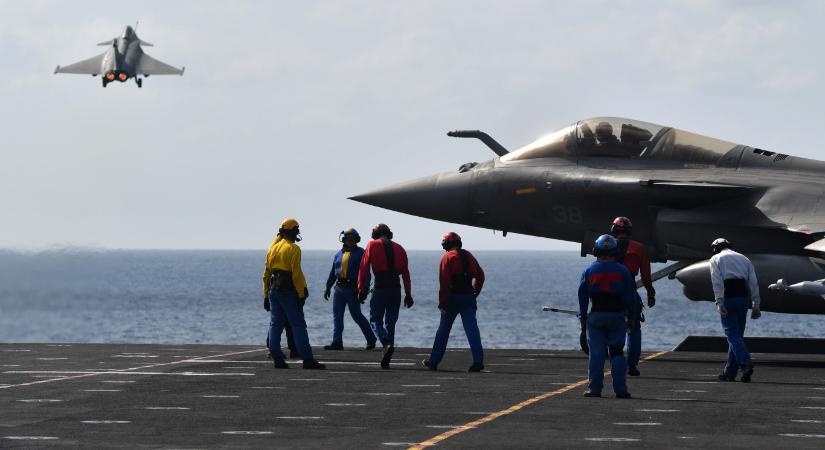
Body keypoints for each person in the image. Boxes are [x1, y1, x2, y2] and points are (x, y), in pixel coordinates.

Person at [262, 218, 325, 370]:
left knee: (275, 324)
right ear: (295, 231)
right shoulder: (294, 249)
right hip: (288, 291)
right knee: (298, 325)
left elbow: (266, 274)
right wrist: (301, 293)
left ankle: (277, 358)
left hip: (273, 289)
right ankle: (307, 359)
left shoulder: (273, 248)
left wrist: (265, 295)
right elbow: (296, 274)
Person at [578, 234, 636, 398]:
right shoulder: (623, 270)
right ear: (615, 251)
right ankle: (621, 390)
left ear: (596, 250)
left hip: (596, 316)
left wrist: (583, 320)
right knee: (617, 352)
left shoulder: (589, 270)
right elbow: (629, 297)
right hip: (617, 316)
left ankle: (594, 389)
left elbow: (582, 298)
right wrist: (631, 317)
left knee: (596, 354)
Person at [422, 232, 486, 372]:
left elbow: (444, 283)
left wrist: (442, 303)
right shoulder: (469, 256)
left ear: (446, 244)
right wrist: (475, 293)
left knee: (443, 331)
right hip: (468, 297)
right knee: (472, 330)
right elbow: (480, 276)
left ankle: (434, 361)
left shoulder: (447, 257)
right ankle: (478, 361)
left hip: (453, 298)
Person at [357, 223, 413, 369]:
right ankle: (387, 354)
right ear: (389, 234)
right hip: (396, 288)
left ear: (375, 234)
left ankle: (386, 343)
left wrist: (361, 290)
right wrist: (408, 293)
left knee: (375, 319)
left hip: (380, 287)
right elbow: (406, 273)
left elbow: (364, 269)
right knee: (391, 322)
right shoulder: (400, 248)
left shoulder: (372, 245)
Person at [709, 238, 761, 382]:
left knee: (732, 334)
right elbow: (753, 282)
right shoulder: (744, 259)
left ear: (715, 248)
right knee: (737, 336)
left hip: (728, 299)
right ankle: (729, 373)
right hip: (743, 300)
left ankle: (745, 363)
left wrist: (719, 302)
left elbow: (717, 281)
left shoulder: (716, 258)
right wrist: (756, 304)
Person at [609, 216, 655, 377]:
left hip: (609, 294)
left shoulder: (607, 246)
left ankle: (615, 361)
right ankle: (632, 365)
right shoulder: (639, 248)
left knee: (611, 327)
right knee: (634, 329)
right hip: (629, 292)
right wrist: (651, 294)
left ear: (614, 229)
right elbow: (646, 277)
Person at [323, 228, 377, 351]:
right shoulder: (338, 254)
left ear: (357, 239)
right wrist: (328, 287)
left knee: (356, 315)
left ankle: (371, 339)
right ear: (344, 240)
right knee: (337, 316)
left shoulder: (362, 253)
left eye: (353, 238)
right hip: (339, 289)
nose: (350, 241)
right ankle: (337, 342)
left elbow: (366, 274)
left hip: (353, 289)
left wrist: (364, 289)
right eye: (348, 238)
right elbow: (333, 273)